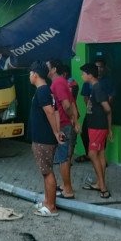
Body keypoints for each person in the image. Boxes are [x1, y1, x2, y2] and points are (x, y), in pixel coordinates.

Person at [28, 61, 65, 217]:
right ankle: (46, 201)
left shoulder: (42, 91)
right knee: (46, 171)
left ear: (35, 74)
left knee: (47, 172)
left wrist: (56, 132)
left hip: (43, 139)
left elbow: (50, 112)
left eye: (30, 73)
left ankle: (51, 207)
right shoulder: (46, 91)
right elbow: (56, 111)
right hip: (45, 137)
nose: (29, 76)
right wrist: (57, 131)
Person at [46, 59, 80, 200]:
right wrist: (75, 120)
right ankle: (64, 185)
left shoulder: (58, 83)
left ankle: (68, 189)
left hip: (64, 125)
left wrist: (71, 119)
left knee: (63, 158)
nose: (45, 69)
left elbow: (66, 105)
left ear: (54, 69)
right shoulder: (62, 82)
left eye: (47, 67)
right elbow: (71, 102)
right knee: (63, 157)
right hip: (66, 124)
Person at [80, 62, 113, 199]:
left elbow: (108, 109)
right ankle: (99, 183)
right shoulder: (94, 88)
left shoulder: (98, 88)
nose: (82, 76)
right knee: (100, 154)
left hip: (98, 127)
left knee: (92, 154)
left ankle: (103, 187)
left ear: (90, 75)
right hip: (96, 126)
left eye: (83, 74)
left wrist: (109, 128)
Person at [76, 57, 115, 163]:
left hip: (100, 117)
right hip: (91, 114)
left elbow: (109, 100)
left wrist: (101, 107)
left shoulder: (103, 84)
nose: (99, 69)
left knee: (99, 146)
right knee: (85, 133)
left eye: (101, 67)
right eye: (97, 67)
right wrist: (91, 107)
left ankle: (95, 157)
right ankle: (91, 155)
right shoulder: (89, 83)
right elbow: (85, 97)